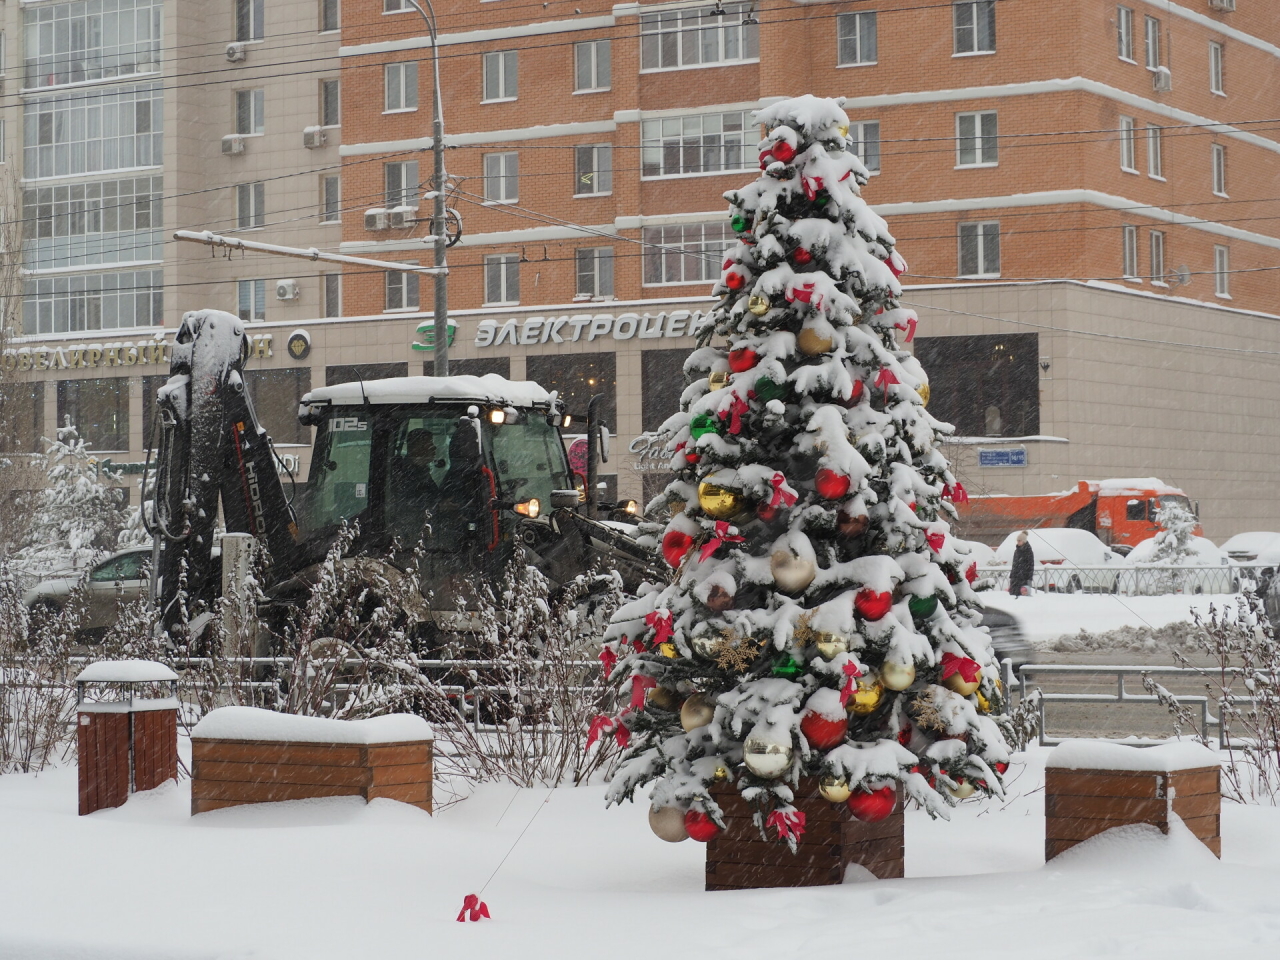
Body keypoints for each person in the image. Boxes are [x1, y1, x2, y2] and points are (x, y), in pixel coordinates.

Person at [1009, 530, 1035, 597]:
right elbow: (1014, 564)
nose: (1018, 542)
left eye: (1019, 541)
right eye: (1017, 541)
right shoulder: (1017, 551)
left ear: (1023, 541)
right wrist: (1012, 575)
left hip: (1024, 577)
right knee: (1013, 595)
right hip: (1015, 577)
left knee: (1023, 595)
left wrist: (1029, 577)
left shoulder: (1028, 551)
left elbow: (1031, 565)